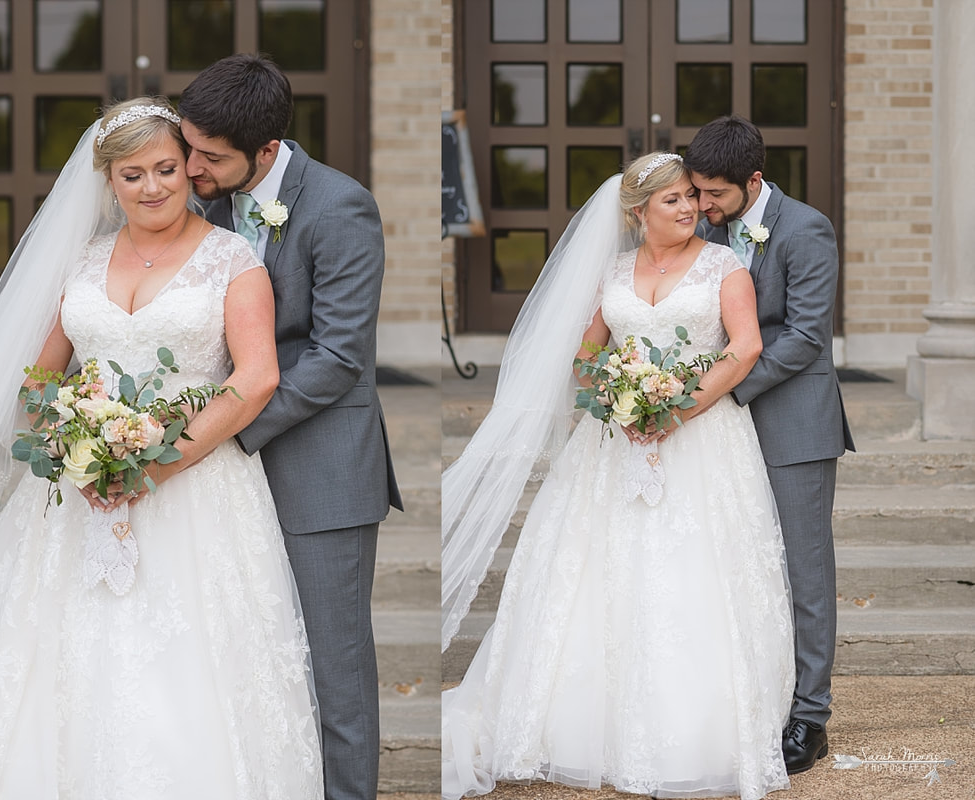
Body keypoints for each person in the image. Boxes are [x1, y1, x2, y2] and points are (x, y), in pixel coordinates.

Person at [0, 99, 323, 798]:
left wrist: (157, 461)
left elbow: (255, 379)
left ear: (189, 169)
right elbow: (39, 375)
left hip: (196, 492)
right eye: (132, 174)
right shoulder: (80, 261)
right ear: (108, 182)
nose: (152, 186)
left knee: (185, 660)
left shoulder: (232, 258)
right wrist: (65, 437)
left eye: (166, 168)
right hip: (79, 493)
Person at [441, 153, 796, 800]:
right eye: (672, 200)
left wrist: (675, 408)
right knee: (597, 571)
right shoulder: (611, 272)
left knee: (691, 572)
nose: (689, 208)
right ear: (637, 214)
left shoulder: (724, 267)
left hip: (703, 441)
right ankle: (582, 727)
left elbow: (743, 348)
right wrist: (610, 392)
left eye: (691, 196)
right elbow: (584, 350)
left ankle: (697, 735)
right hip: (614, 441)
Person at [176, 54, 402, 800]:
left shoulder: (340, 207)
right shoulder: (197, 198)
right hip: (217, 479)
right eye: (189, 147)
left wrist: (225, 430)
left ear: (267, 150)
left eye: (210, 157)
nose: (191, 168)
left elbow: (339, 356)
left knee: (334, 662)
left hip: (318, 467)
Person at [684, 115, 855, 776]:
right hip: (721, 430)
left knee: (803, 572)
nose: (702, 206)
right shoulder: (705, 227)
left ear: (752, 180)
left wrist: (723, 387)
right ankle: (753, 697)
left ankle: (808, 715)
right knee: (740, 563)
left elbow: (807, 335)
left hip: (791, 422)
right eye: (696, 193)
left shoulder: (805, 228)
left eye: (714, 195)